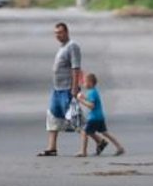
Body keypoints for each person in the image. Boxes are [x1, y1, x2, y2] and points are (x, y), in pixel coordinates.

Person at [38, 22, 81, 156]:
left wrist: (74, 88)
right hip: (57, 89)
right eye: (56, 33)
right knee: (52, 116)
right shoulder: (62, 47)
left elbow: (75, 68)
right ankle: (52, 148)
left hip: (67, 89)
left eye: (60, 32)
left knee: (75, 119)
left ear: (67, 32)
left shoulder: (72, 46)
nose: (58, 35)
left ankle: (99, 141)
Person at [74, 72, 124, 157]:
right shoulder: (93, 91)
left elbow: (91, 106)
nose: (83, 84)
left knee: (84, 132)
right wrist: (84, 98)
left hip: (94, 118)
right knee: (104, 133)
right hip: (100, 117)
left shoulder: (92, 92)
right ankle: (119, 147)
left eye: (84, 82)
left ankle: (83, 151)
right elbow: (91, 101)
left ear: (90, 83)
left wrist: (81, 101)